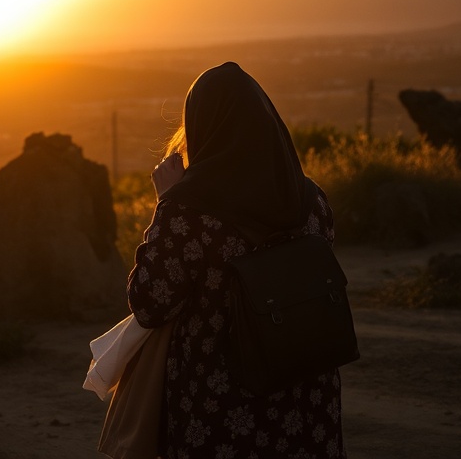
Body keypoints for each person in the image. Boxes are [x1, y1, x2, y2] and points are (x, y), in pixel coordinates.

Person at [127, 61, 345, 458]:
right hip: (307, 397)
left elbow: (149, 304)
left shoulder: (189, 213)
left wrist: (166, 204)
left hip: (221, 406)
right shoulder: (310, 200)